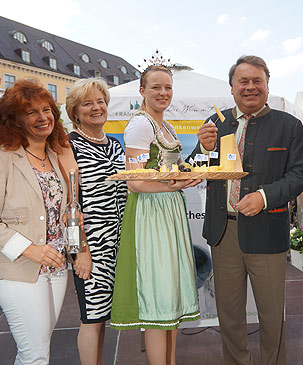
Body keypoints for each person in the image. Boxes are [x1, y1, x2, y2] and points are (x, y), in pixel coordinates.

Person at [193, 55, 303, 364]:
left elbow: (300, 174)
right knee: (229, 317)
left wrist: (264, 196)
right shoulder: (216, 122)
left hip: (266, 232)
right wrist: (203, 148)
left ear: (268, 85)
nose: (250, 87)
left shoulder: (289, 125)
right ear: (231, 87)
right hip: (223, 232)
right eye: (243, 81)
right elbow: (192, 168)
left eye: (257, 80)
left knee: (272, 317)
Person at [0, 79, 72, 364]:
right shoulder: (1, 157)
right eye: (31, 112)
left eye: (46, 109)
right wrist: (30, 249)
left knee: (37, 349)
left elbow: (55, 208)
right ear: (14, 119)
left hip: (55, 267)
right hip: (19, 270)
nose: (42, 118)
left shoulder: (54, 155)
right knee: (35, 354)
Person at [109, 64, 200, 364]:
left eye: (168, 88)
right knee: (158, 299)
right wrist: (175, 186)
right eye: (156, 87)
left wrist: (186, 177)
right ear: (142, 91)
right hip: (150, 212)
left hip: (168, 209)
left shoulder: (168, 126)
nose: (163, 93)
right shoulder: (140, 125)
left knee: (170, 297)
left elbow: (170, 169)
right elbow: (134, 182)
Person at [65, 77, 128, 365]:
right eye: (87, 103)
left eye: (100, 101)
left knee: (103, 317)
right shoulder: (68, 147)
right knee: (91, 317)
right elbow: (69, 205)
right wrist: (81, 252)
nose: (96, 107)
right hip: (91, 247)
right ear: (75, 111)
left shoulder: (115, 144)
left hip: (118, 244)